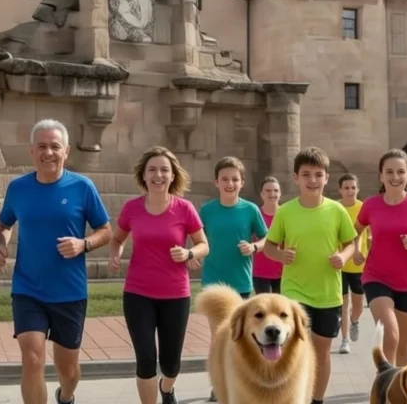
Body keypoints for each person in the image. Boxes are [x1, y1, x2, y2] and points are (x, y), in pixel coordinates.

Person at [0, 119, 112, 404]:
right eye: (42, 146)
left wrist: (83, 244)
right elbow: (3, 225)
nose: (48, 152)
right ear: (32, 150)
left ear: (66, 151)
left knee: (68, 371)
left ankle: (66, 395)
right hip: (28, 288)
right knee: (32, 359)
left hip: (69, 292)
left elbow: (106, 231)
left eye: (55, 146)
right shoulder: (18, 188)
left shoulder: (82, 187)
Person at [109, 146, 210, 404]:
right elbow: (117, 238)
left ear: (172, 176)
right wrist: (115, 254)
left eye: (164, 170)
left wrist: (189, 253)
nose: (158, 175)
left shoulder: (184, 208)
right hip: (137, 293)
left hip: (175, 295)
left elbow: (203, 244)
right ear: (143, 175)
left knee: (171, 363)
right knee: (145, 359)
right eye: (152, 170)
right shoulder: (132, 208)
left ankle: (167, 388)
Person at [263, 146, 356, 404]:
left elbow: (351, 243)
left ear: (326, 178)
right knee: (293, 349)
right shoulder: (286, 211)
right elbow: (269, 247)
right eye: (306, 174)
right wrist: (280, 255)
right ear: (296, 177)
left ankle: (317, 400)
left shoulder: (337, 211)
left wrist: (344, 257)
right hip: (294, 292)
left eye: (318, 174)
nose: (312, 180)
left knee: (321, 352)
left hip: (328, 293)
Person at [354, 148, 407, 366]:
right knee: (390, 334)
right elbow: (354, 230)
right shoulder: (371, 205)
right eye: (389, 172)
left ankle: (399, 382)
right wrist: (356, 249)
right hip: (376, 277)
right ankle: (385, 379)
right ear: (381, 176)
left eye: (401, 172)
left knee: (402, 345)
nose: (395, 177)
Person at [199, 156, 267, 402]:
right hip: (214, 284)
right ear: (216, 182)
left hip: (241, 284)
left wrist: (254, 247)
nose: (230, 184)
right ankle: (218, 385)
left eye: (235, 179)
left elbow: (266, 238)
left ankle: (242, 382)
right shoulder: (206, 210)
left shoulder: (250, 210)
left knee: (242, 337)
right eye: (225, 179)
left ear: (242, 182)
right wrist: (193, 255)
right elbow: (197, 239)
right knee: (219, 337)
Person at [337, 173, 370, 354]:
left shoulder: (364, 208)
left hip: (359, 264)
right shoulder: (335, 208)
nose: (350, 191)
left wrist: (367, 251)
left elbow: (370, 234)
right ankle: (345, 340)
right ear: (340, 190)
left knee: (357, 304)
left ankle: (354, 320)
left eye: (353, 187)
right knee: (343, 303)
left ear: (358, 189)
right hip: (340, 264)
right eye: (346, 188)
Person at [252, 176, 283, 294]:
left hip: (283, 272)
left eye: (276, 190)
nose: (272, 194)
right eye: (268, 191)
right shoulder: (255, 214)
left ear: (280, 193)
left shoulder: (286, 214)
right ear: (262, 194)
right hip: (260, 273)